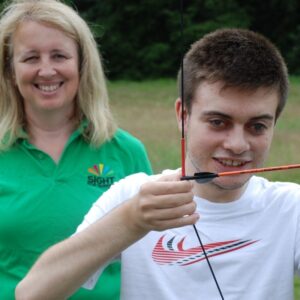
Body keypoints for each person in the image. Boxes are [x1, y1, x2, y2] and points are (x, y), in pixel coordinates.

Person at [15, 28, 298, 300]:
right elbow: (32, 293)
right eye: (217, 122)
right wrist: (132, 220)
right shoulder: (134, 196)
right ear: (182, 115)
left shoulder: (290, 208)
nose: (237, 144)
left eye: (257, 126)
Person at [0, 0, 153, 299]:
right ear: (9, 71)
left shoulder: (126, 152)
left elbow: (154, 256)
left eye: (59, 55)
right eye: (31, 57)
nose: (46, 70)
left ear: (82, 64)